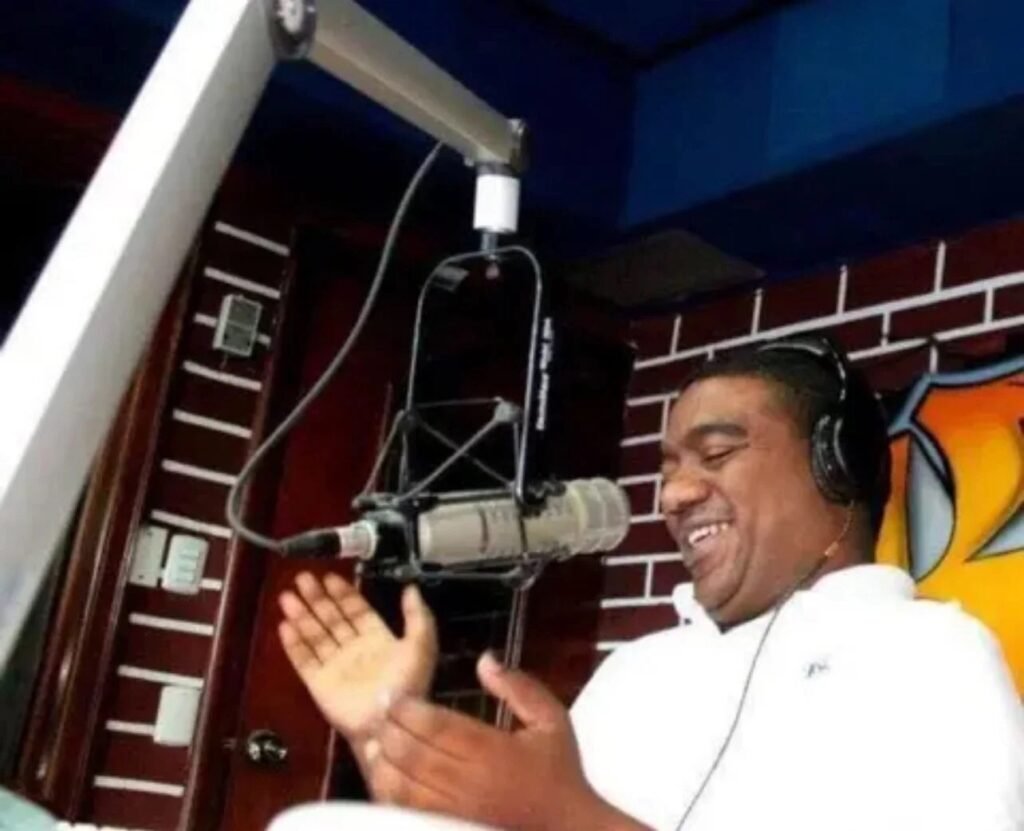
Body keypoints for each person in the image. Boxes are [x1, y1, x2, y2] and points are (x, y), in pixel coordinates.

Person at [277, 337, 1024, 831]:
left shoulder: (931, 656)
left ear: (837, 470)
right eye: (668, 469)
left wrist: (572, 819)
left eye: (716, 454)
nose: (674, 495)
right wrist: (389, 737)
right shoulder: (636, 670)